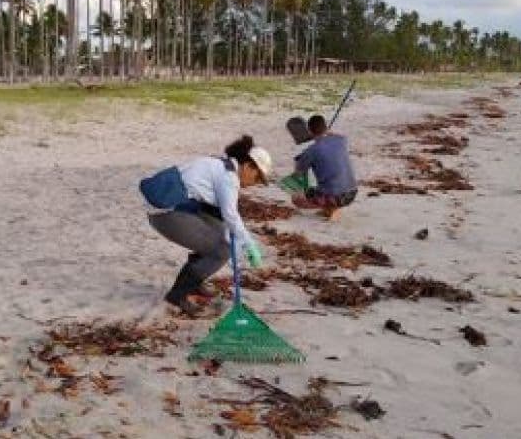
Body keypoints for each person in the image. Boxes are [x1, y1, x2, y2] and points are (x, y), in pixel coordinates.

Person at [141, 135, 273, 316]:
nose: (255, 184)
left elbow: (223, 216)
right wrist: (249, 244)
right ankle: (177, 296)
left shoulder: (220, 164)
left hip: (174, 207)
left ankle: (195, 282)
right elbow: (231, 215)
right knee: (222, 250)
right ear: (248, 166)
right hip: (166, 213)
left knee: (219, 232)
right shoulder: (229, 178)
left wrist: (234, 234)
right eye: (257, 178)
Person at [290, 115, 358, 221]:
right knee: (320, 187)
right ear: (326, 128)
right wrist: (327, 132)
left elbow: (297, 176)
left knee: (296, 199)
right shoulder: (340, 140)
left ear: (309, 131)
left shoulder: (311, 151)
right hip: (352, 192)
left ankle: (333, 208)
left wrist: (296, 193)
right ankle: (330, 208)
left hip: (335, 197)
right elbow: (339, 135)